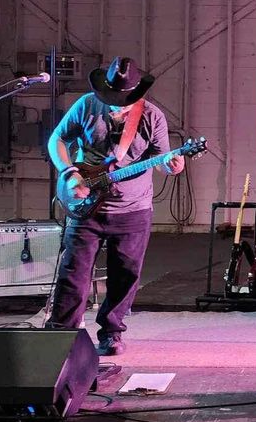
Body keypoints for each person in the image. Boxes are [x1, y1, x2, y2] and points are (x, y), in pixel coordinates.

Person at [47, 56, 184, 355]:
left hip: (132, 208)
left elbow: (164, 160)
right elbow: (56, 139)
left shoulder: (152, 116)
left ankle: (111, 332)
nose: (116, 104)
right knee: (74, 274)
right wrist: (70, 173)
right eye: (110, 98)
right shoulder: (86, 105)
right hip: (86, 206)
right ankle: (61, 336)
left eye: (122, 101)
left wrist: (174, 165)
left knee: (125, 275)